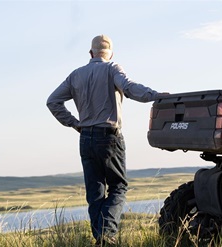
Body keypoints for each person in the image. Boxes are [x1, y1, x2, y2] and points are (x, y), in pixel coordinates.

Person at [46, 35, 164, 246]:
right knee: (118, 187)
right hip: (109, 137)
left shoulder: (75, 75)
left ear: (91, 54)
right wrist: (156, 96)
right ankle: (106, 236)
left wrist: (74, 123)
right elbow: (128, 88)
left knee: (95, 192)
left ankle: (100, 239)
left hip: (85, 137)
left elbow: (53, 101)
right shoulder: (112, 68)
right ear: (111, 54)